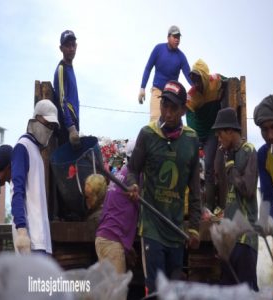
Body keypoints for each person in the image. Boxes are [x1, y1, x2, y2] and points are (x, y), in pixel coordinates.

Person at [128, 80, 201, 295]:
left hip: (176, 230)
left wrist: (195, 227)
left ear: (183, 110)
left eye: (173, 108)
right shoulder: (147, 134)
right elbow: (133, 169)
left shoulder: (191, 139)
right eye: (164, 106)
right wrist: (133, 184)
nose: (167, 113)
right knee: (156, 291)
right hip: (151, 228)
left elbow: (195, 188)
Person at [212, 107, 259, 291]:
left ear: (230, 131)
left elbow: (247, 189)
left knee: (246, 292)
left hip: (245, 240)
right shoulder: (226, 154)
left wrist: (231, 167)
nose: (219, 139)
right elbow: (219, 181)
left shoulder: (249, 151)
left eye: (220, 134)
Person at [11, 99, 59, 254]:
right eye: (47, 123)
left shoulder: (36, 152)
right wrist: (21, 231)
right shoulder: (23, 146)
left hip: (41, 240)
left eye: (52, 126)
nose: (49, 129)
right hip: (30, 240)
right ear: (36, 118)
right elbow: (16, 190)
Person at [186, 58, 227, 212]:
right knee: (193, 166)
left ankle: (210, 204)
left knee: (209, 166)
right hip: (198, 132)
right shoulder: (192, 94)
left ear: (204, 76)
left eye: (197, 78)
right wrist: (194, 133)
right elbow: (188, 113)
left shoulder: (215, 81)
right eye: (192, 79)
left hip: (211, 132)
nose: (195, 83)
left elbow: (228, 81)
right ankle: (194, 204)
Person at [95, 140, 139, 274]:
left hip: (106, 238)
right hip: (111, 242)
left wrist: (126, 246)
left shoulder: (121, 173)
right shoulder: (136, 177)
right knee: (116, 294)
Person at [138, 25, 192, 122]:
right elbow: (148, 68)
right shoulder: (158, 49)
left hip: (173, 94)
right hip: (157, 90)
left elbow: (189, 75)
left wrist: (196, 89)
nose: (177, 40)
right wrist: (142, 88)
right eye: (175, 37)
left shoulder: (181, 57)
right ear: (168, 37)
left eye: (178, 37)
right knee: (155, 121)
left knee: (172, 122)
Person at [253, 94, 273, 235]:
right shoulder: (263, 155)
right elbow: (267, 194)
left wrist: (272, 217)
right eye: (264, 130)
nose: (270, 135)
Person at [53, 30, 80, 147]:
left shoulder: (70, 68)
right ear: (61, 48)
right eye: (67, 45)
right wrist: (71, 128)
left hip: (74, 122)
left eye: (73, 45)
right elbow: (62, 100)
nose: (71, 48)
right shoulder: (61, 69)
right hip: (66, 127)